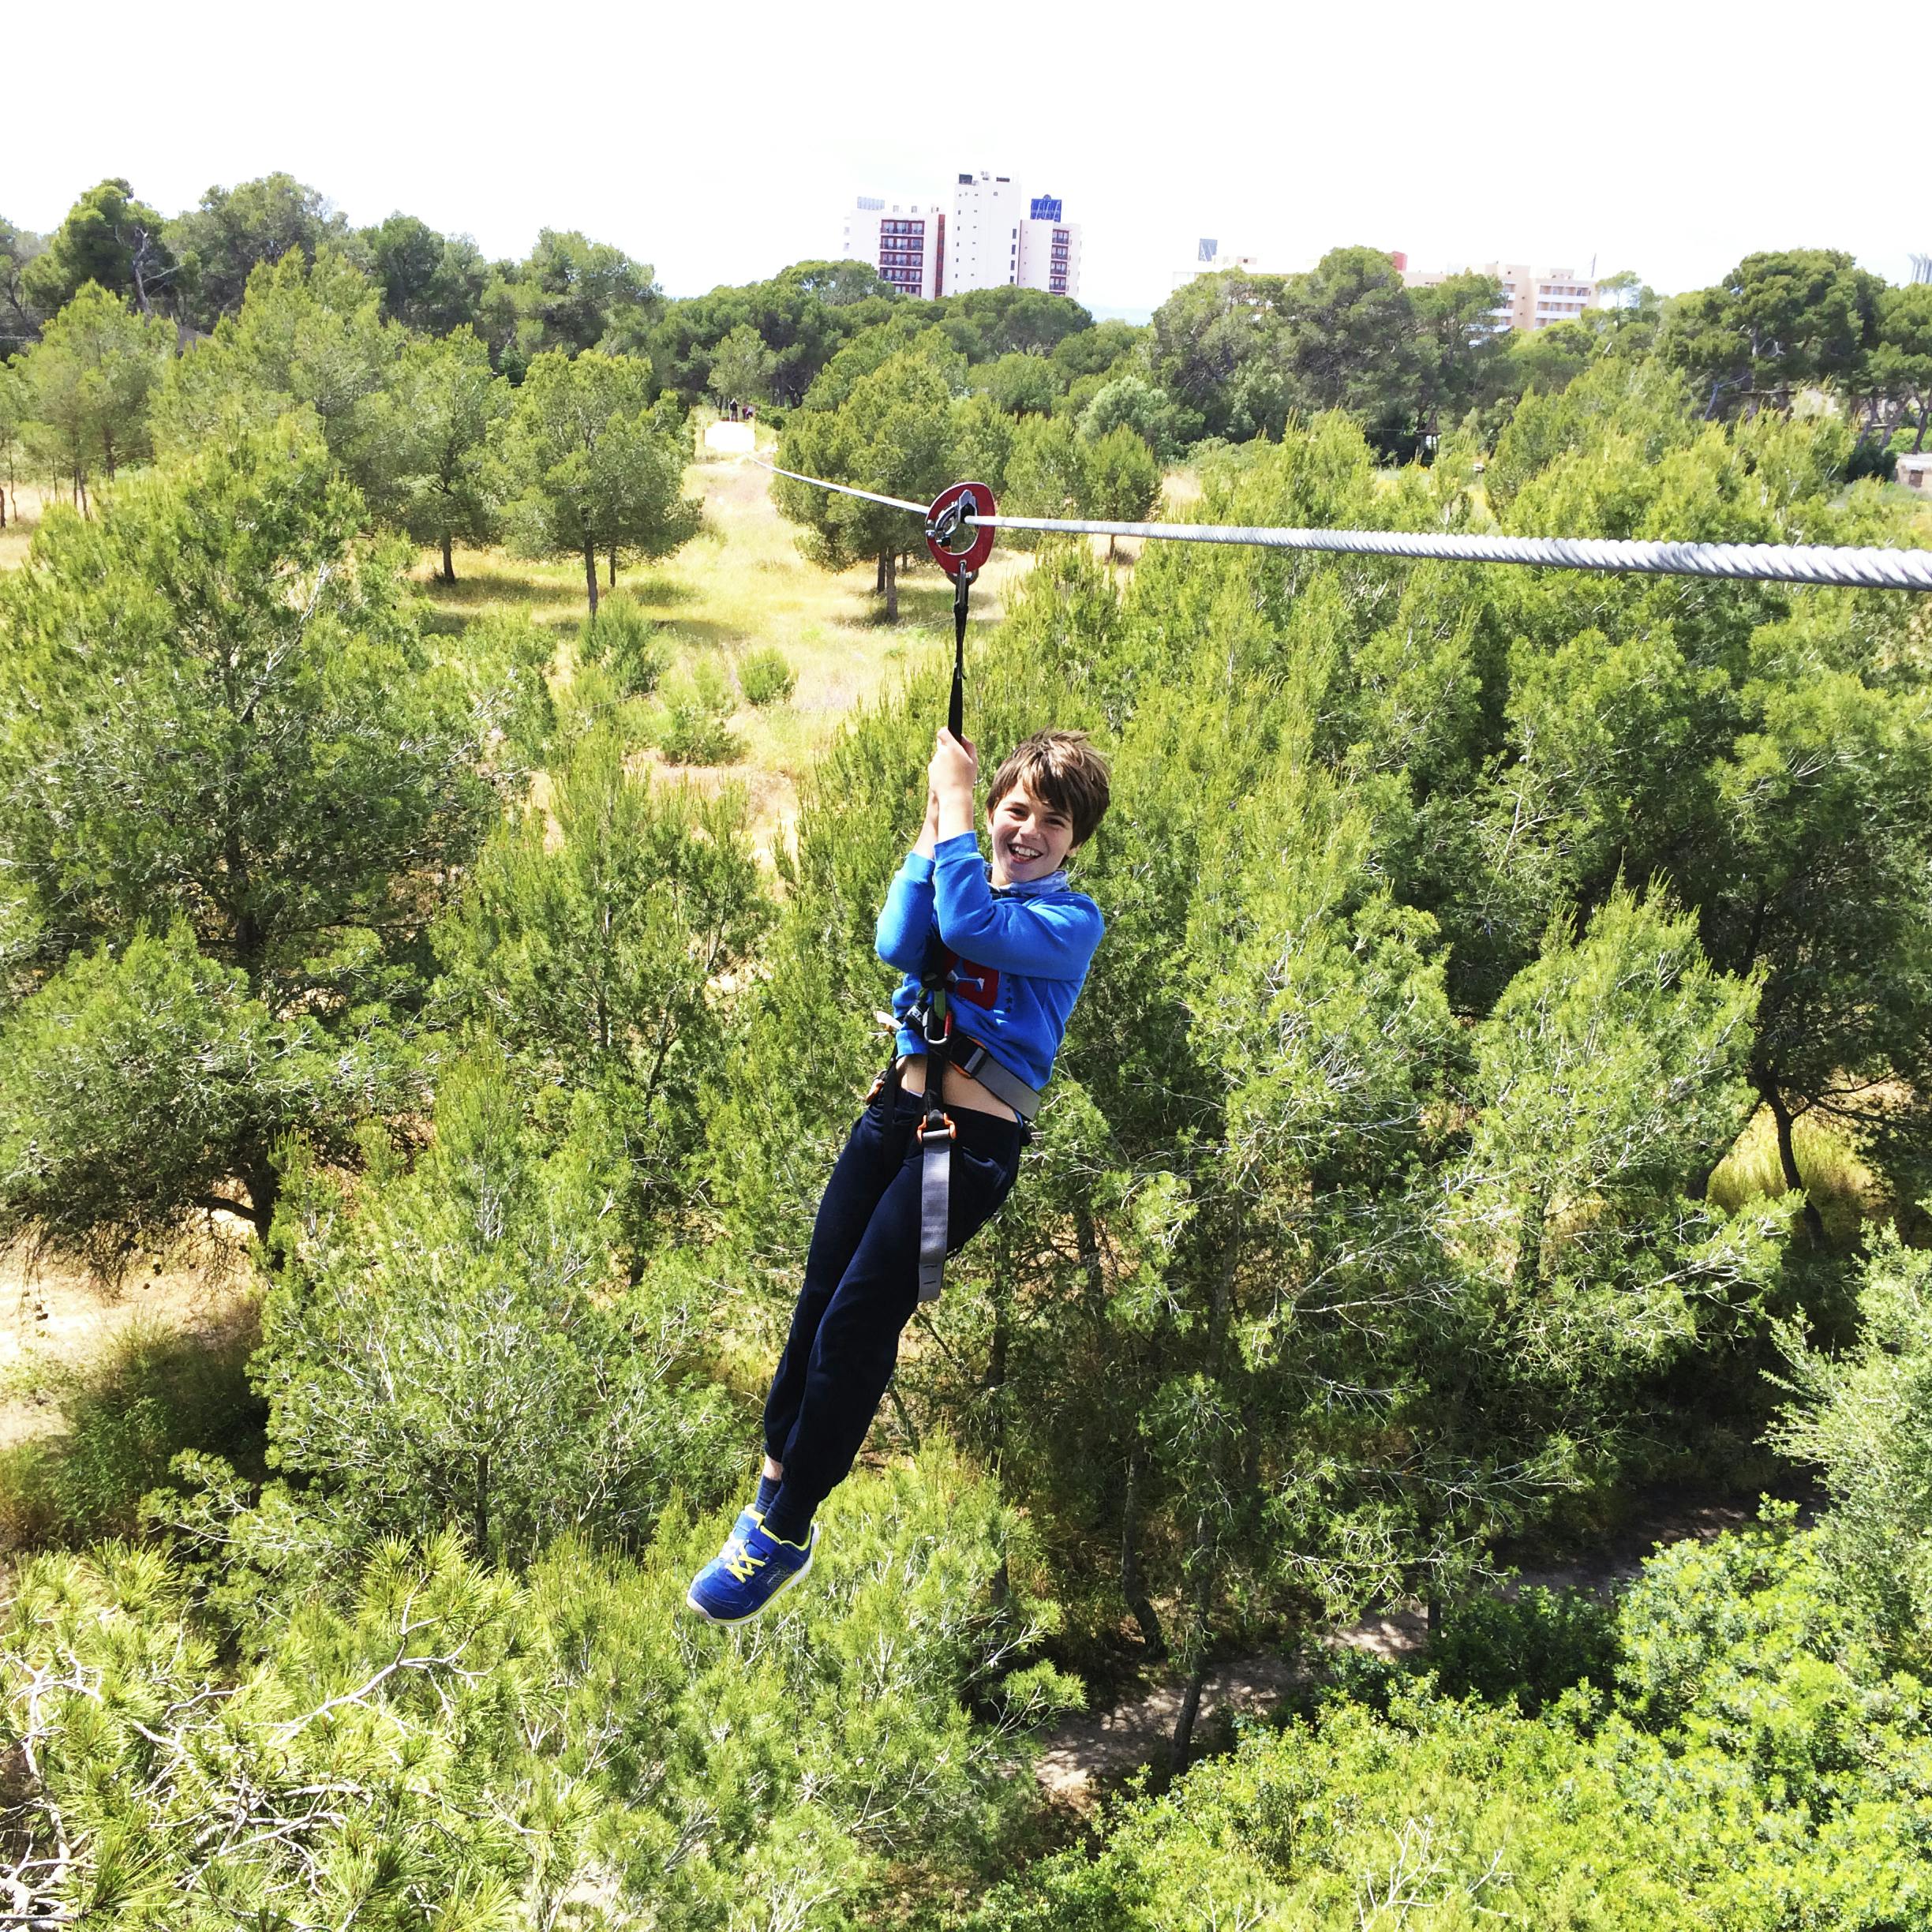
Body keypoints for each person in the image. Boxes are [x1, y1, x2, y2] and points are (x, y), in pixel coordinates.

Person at [686, 726, 1111, 1623]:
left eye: (1053, 823)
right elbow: (898, 938)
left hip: (964, 1150)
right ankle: (767, 1496)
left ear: (1077, 842)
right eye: (1015, 810)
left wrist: (959, 808)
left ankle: (790, 1528)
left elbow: (970, 928)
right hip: (893, 1117)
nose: (1028, 831)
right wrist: (931, 829)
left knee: (857, 1321)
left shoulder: (1069, 922)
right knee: (815, 1305)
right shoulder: (962, 865)